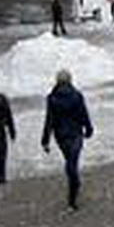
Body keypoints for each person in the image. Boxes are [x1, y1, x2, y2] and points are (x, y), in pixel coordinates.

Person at [42, 70, 93, 210]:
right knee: (72, 161)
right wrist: (89, 128)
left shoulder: (51, 98)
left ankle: (73, 187)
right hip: (76, 134)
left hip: (61, 135)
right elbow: (84, 114)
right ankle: (74, 187)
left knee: (70, 160)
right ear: (70, 80)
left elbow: (49, 120)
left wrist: (45, 140)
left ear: (57, 81)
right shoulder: (77, 95)